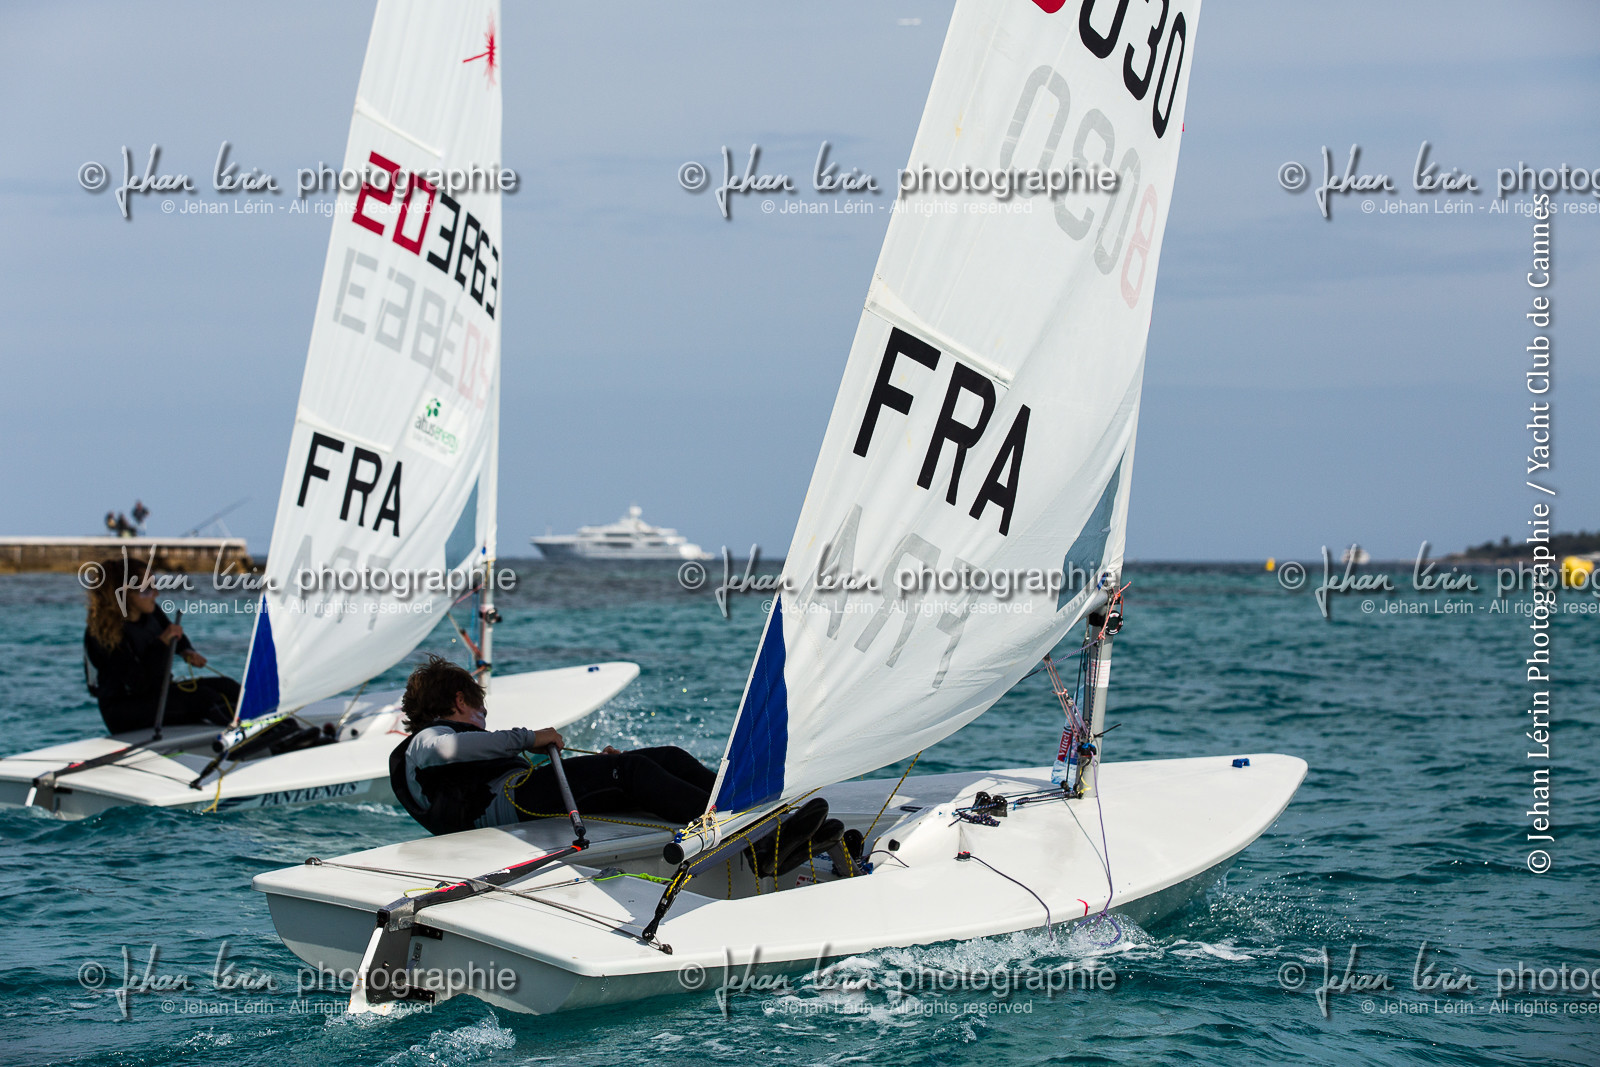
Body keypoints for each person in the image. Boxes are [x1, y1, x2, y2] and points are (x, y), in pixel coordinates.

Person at [390, 656, 719, 837]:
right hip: (511, 806)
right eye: (482, 714)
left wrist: (604, 771)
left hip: (521, 798)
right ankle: (728, 830)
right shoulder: (424, 741)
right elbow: (449, 750)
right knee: (630, 772)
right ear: (460, 701)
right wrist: (529, 737)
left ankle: (738, 803)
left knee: (665, 758)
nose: (484, 724)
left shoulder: (444, 741)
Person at [83, 558, 239, 734]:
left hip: (157, 693)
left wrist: (186, 651)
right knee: (203, 698)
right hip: (124, 710)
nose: (156, 594)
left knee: (227, 686)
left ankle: (266, 722)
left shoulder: (151, 613)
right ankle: (244, 732)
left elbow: (175, 637)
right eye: (147, 590)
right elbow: (138, 683)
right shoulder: (102, 635)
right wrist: (161, 643)